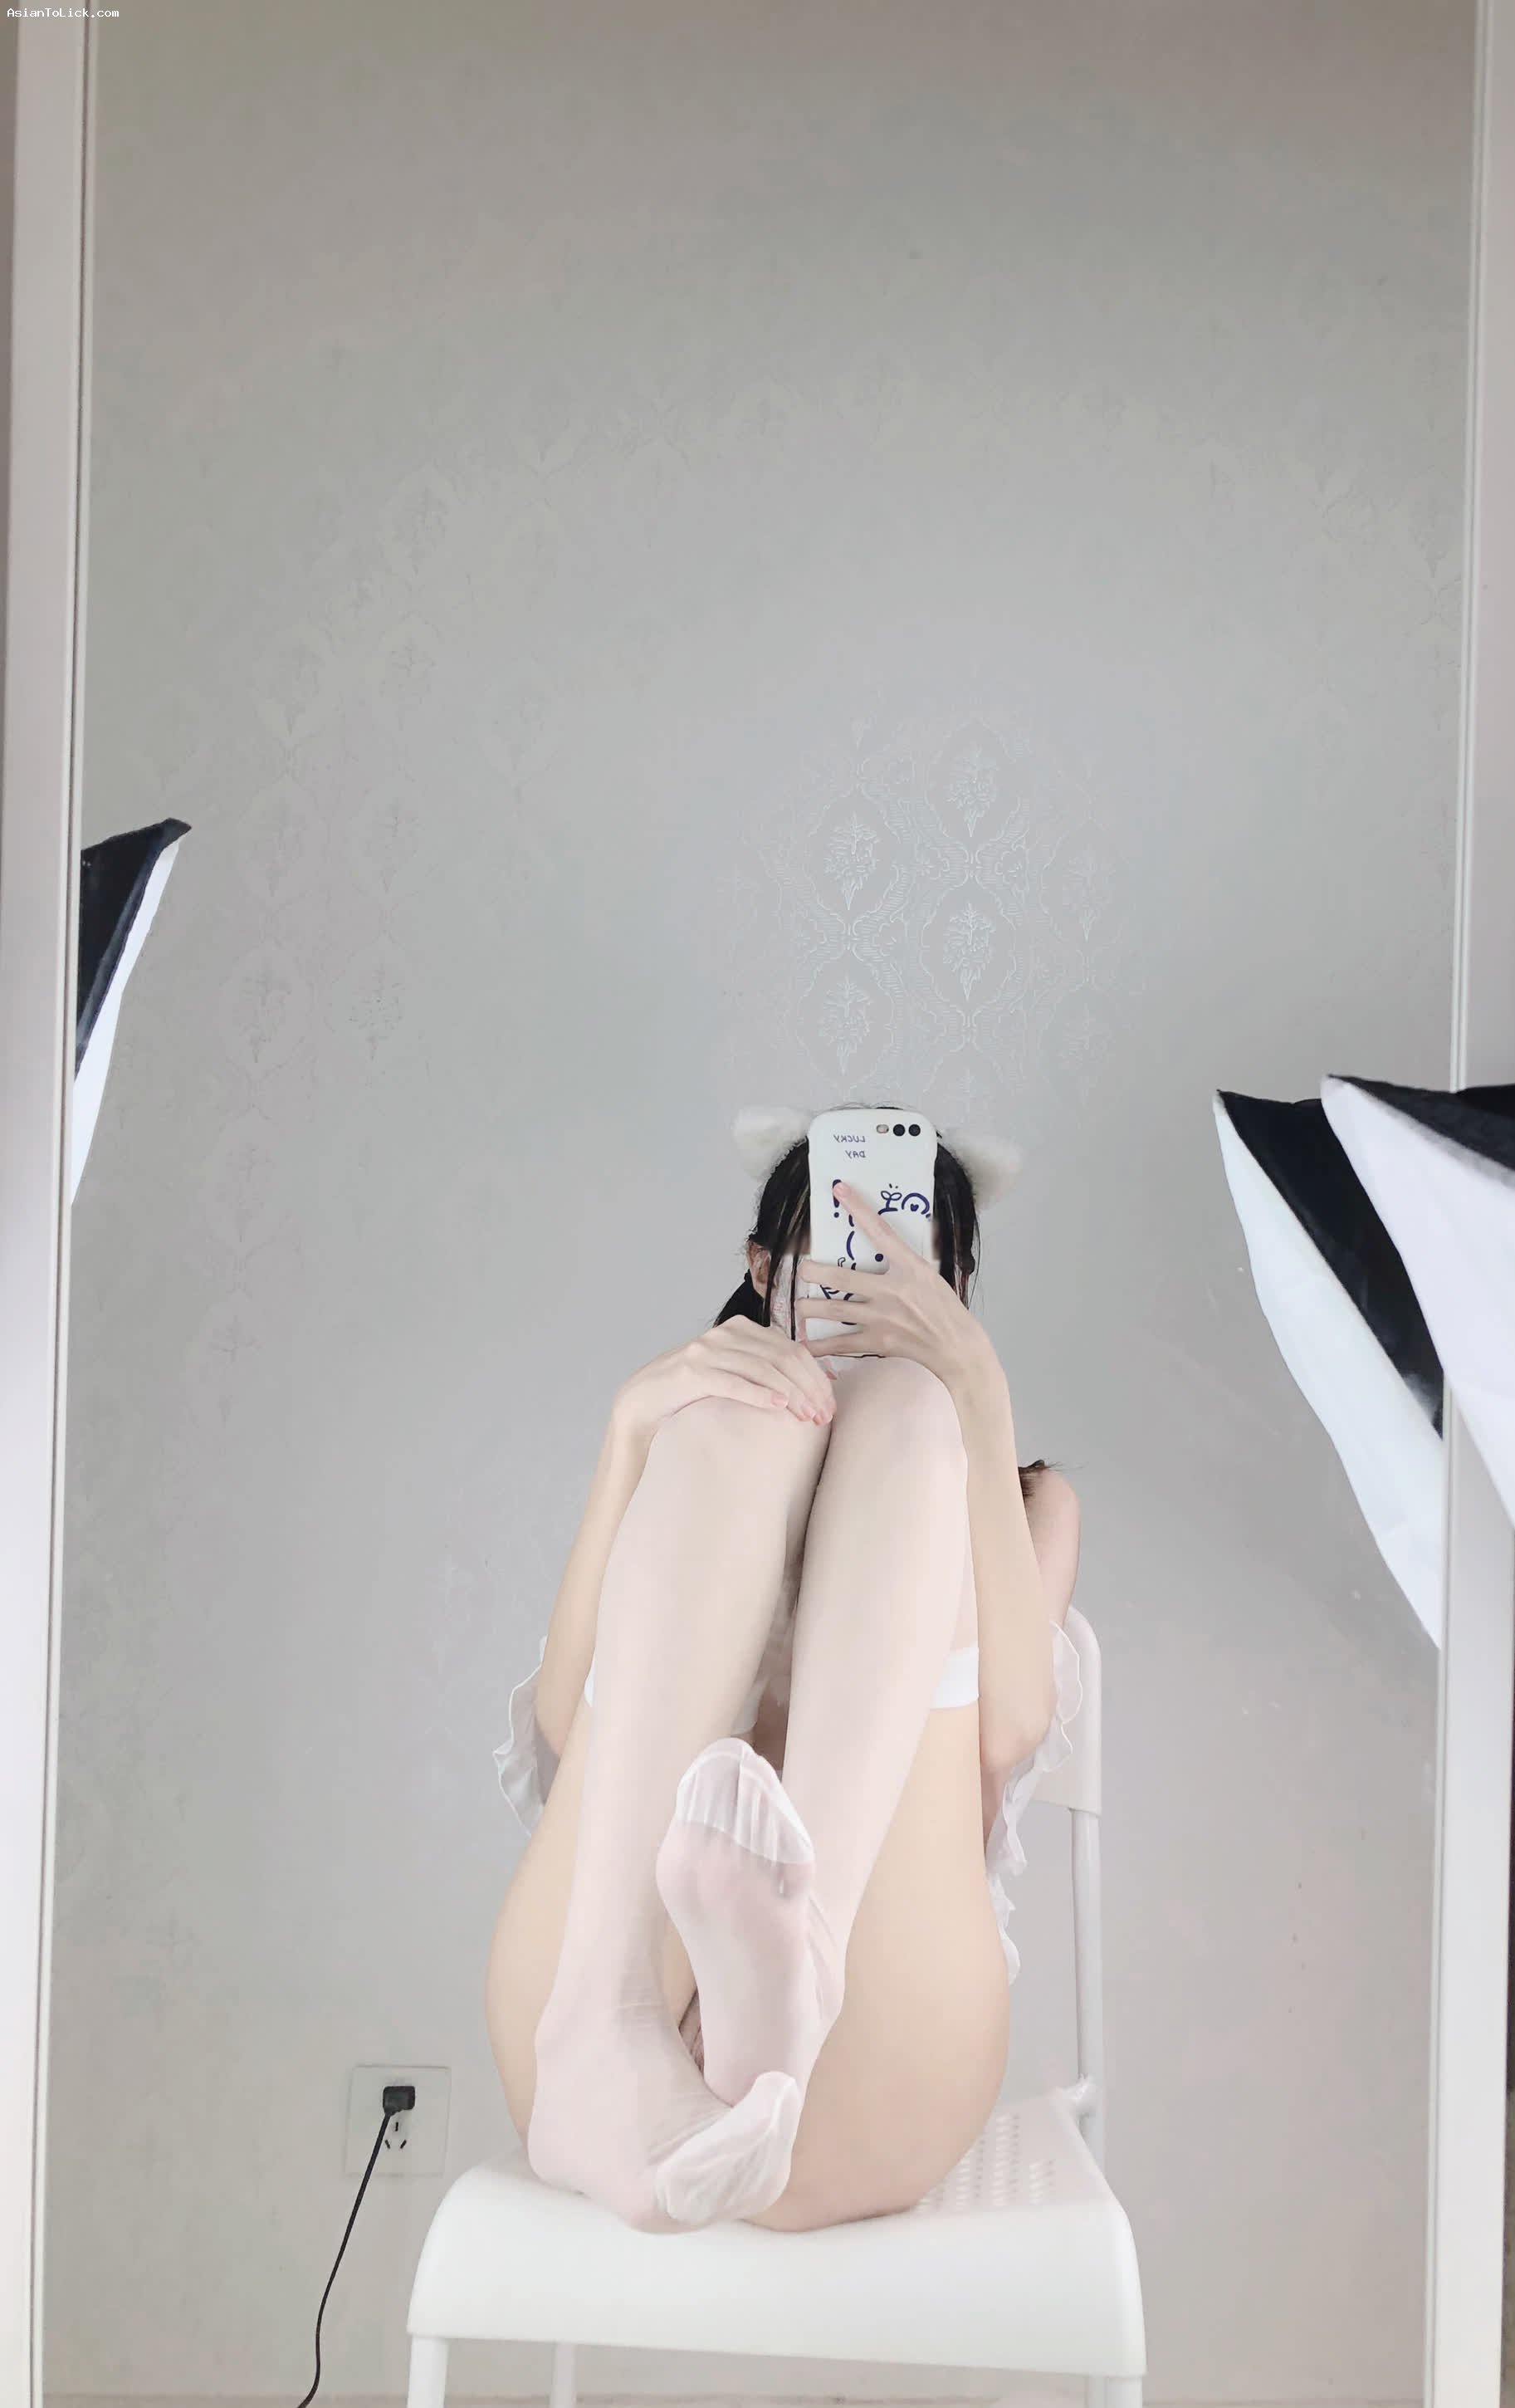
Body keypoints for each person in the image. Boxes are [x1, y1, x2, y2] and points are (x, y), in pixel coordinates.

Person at [485, 1108, 1083, 2234]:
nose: (880, 1287)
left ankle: (797, 1968)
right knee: (748, 1413)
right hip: (589, 2030)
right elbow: (567, 1725)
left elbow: (1009, 1731)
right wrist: (631, 1432)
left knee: (905, 1413)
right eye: (846, 1252)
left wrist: (971, 1393)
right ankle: (606, 2017)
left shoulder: (1023, 1495)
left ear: (959, 1289)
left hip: (864, 2070)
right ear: (764, 1270)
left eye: (917, 1264)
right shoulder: (696, 1446)